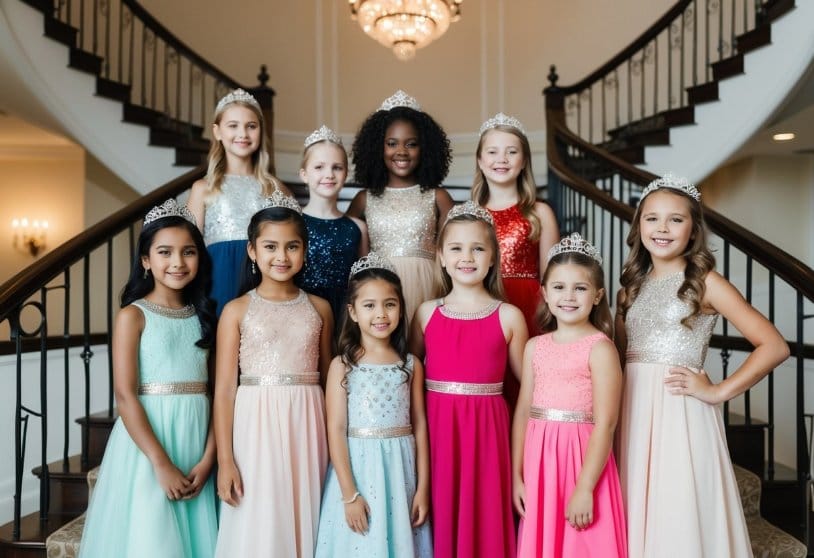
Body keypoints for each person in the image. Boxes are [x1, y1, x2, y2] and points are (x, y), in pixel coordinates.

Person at [615, 173, 789, 557]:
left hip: (679, 413)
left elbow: (773, 345)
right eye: (652, 217)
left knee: (676, 508)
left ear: (693, 231)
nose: (662, 227)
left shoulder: (705, 283)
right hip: (633, 412)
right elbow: (617, 355)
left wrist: (718, 391)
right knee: (634, 504)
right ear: (639, 224)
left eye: (676, 219)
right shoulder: (630, 288)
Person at [78, 199, 218, 558]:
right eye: (165, 252)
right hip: (150, 444)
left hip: (195, 438)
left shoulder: (205, 316)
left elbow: (218, 394)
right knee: (152, 536)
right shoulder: (133, 316)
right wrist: (161, 462)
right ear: (145, 261)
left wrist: (208, 459)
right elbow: (125, 395)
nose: (177, 262)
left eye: (188, 252)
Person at [213, 192, 333, 558]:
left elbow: (331, 382)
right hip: (255, 426)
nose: (281, 256)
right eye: (270, 246)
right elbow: (224, 392)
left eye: (292, 246)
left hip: (309, 423)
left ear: (304, 250)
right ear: (252, 251)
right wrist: (226, 461)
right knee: (261, 514)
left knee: (306, 509)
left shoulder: (320, 307)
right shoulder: (236, 310)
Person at [411, 201, 528, 558]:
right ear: (442, 257)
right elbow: (411, 375)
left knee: (483, 516)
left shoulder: (510, 316)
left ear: (494, 257)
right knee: (441, 511)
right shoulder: (426, 313)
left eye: (478, 248)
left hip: (487, 433)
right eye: (456, 248)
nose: (467, 257)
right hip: (438, 429)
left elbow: (529, 389)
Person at [513, 233, 627, 558]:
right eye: (559, 287)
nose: (569, 296)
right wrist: (516, 476)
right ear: (545, 293)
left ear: (597, 296)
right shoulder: (535, 347)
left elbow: (606, 424)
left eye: (580, 288)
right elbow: (523, 412)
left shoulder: (601, 349)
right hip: (539, 459)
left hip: (581, 461)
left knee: (582, 542)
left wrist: (585, 487)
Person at [315, 253, 432, 558]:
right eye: (370, 306)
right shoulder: (343, 366)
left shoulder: (411, 365)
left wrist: (422, 488)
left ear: (401, 308)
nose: (381, 314)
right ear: (353, 312)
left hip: (400, 470)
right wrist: (349, 493)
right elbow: (336, 429)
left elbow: (420, 426)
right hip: (359, 470)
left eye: (389, 304)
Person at [472, 113, 559, 411]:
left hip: (529, 306)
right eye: (493, 152)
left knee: (529, 385)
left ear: (523, 161)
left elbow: (553, 275)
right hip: (483, 303)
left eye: (512, 152)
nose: (502, 159)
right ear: (481, 161)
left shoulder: (539, 213)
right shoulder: (470, 215)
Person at [347, 90, 454, 321]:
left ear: (425, 148)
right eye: (392, 143)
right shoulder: (363, 199)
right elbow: (351, 253)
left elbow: (451, 252)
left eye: (411, 144)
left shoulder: (438, 197)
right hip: (380, 290)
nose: (401, 152)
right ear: (377, 148)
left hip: (428, 288)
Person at [187, 88, 289, 315]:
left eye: (251, 126)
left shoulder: (275, 188)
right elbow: (188, 246)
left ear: (261, 131)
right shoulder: (203, 189)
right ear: (217, 131)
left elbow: (293, 240)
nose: (242, 133)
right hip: (218, 280)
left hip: (265, 279)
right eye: (233, 125)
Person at [299, 125, 368, 327]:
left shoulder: (357, 228)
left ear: (345, 173)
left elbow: (363, 283)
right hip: (303, 312)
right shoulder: (293, 222)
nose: (329, 174)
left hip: (344, 316)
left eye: (337, 167)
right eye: (319, 167)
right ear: (304, 174)